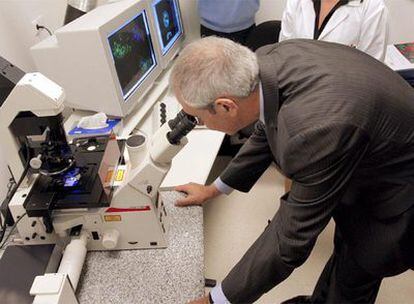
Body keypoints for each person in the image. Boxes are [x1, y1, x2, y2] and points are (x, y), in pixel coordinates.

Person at [169, 37, 414, 304]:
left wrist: (216, 301)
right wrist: (213, 189)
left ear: (226, 106)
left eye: (200, 118)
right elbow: (266, 125)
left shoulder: (314, 131)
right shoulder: (265, 63)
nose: (200, 123)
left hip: (397, 200)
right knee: (347, 257)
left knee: (360, 267)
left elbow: (288, 240)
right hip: (366, 161)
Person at [279, 0, 389, 61]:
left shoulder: (373, 7)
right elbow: (282, 56)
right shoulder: (296, 2)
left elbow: (372, 74)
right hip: (295, 92)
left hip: (343, 97)